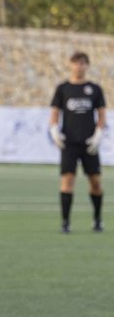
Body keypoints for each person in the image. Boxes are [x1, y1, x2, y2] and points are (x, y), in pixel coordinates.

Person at [49, 51, 105, 233]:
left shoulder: (94, 89)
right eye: (76, 63)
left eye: (82, 63)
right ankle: (65, 222)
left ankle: (97, 219)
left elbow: (101, 114)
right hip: (70, 143)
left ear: (87, 66)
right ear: (70, 65)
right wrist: (54, 130)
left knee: (95, 182)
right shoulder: (63, 88)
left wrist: (98, 133)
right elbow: (55, 112)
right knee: (67, 180)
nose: (79, 67)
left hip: (89, 143)